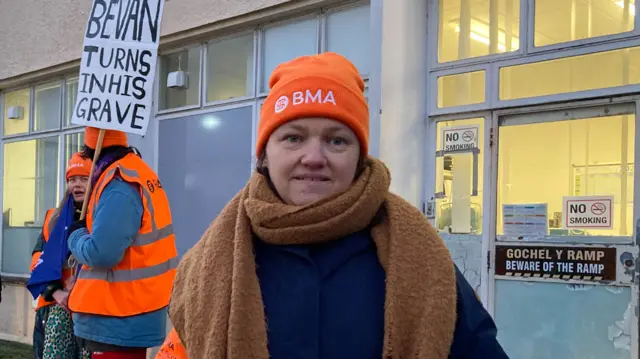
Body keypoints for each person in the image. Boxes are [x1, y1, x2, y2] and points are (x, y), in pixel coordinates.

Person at [166, 52, 509, 358]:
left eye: (336, 140)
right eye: (294, 138)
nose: (314, 158)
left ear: (360, 157)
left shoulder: (421, 257)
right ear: (265, 155)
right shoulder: (209, 268)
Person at [66, 127, 178, 359]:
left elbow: (102, 252)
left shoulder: (118, 184)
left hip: (117, 317)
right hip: (126, 312)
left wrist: (75, 236)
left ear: (91, 151)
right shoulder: (136, 173)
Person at [28, 153, 92, 359]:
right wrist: (56, 293)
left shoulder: (103, 216)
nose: (77, 185)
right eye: (72, 179)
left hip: (90, 308)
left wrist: (81, 283)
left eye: (84, 178)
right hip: (56, 306)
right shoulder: (53, 219)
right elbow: (37, 261)